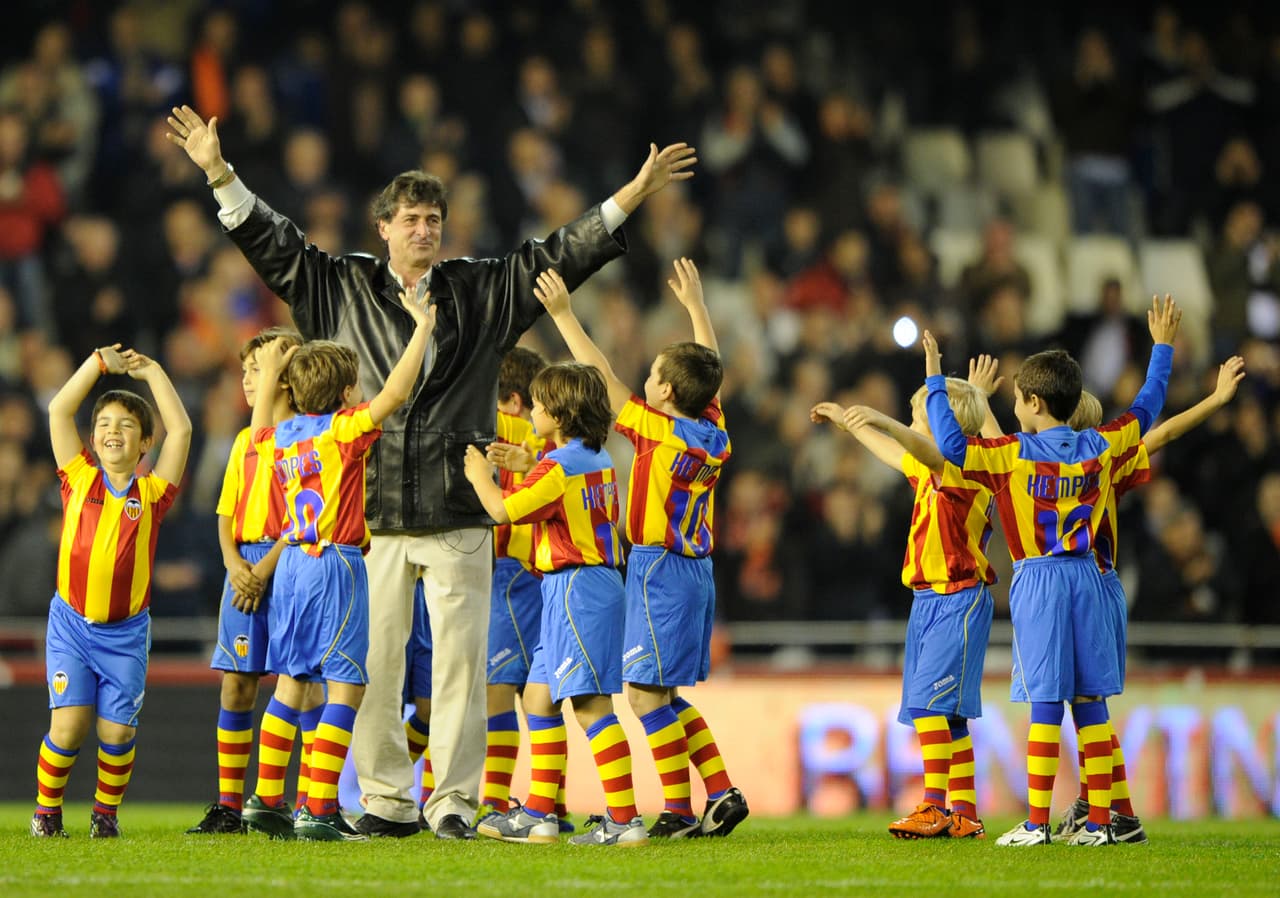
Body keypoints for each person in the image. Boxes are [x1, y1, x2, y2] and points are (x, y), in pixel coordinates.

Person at [166, 104, 696, 839]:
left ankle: (450, 803)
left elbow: (560, 255)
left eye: (433, 219)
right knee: (372, 666)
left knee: (460, 671)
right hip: (373, 512)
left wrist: (631, 194)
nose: (424, 229)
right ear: (383, 227)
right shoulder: (341, 285)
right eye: (410, 219)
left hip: (456, 508)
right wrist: (218, 172)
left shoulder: (480, 289)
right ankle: (386, 801)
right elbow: (274, 245)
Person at [922, 295, 1181, 847]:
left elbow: (950, 446)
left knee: (1044, 700)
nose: (1014, 405)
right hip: (1089, 576)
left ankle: (1037, 823)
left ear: (1034, 402)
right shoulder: (1100, 443)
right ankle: (1103, 825)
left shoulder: (1012, 453)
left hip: (1039, 579)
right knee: (1091, 703)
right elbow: (1148, 407)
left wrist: (936, 381)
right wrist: (1162, 348)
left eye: (1017, 398)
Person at [531, 261, 748, 838]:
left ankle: (677, 810)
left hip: (658, 570)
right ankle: (721, 791)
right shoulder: (714, 434)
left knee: (645, 697)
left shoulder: (658, 431)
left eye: (654, 375)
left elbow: (600, 376)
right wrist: (697, 308)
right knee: (665, 694)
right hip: (697, 571)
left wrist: (564, 316)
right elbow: (711, 376)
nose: (646, 379)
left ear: (667, 391)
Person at [240, 291, 437, 842]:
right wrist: (422, 328)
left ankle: (266, 799)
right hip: (336, 564)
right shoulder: (343, 430)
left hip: (292, 566)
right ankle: (320, 807)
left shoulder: (279, 437)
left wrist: (272, 372)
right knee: (346, 687)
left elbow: (256, 432)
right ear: (347, 392)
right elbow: (397, 392)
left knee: (290, 682)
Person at [810, 356, 1003, 841]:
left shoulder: (960, 467)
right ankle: (964, 813)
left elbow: (918, 448)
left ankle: (933, 807)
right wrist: (850, 422)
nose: (913, 427)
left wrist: (882, 417)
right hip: (932, 599)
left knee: (932, 707)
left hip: (956, 597)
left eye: (919, 418)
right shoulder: (937, 469)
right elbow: (896, 454)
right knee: (949, 715)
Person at [1055, 358, 1245, 845]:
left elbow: (1162, 433)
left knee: (1088, 704)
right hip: (1090, 587)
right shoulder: (1098, 464)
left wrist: (1214, 399)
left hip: (1091, 588)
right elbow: (1162, 434)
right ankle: (1113, 810)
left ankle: (1107, 812)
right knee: (1086, 707)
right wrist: (1214, 400)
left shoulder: (1088, 463)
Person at [464, 361, 646, 846]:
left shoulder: (559, 466)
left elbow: (502, 510)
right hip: (579, 588)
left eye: (541, 404)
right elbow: (563, 497)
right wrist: (527, 467)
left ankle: (624, 820)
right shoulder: (595, 456)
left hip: (577, 590)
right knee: (538, 699)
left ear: (560, 414)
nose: (533, 411)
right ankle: (539, 814)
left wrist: (481, 475)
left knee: (591, 707)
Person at [32, 344, 192, 838]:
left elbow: (182, 430)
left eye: (125, 424)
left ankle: (105, 815)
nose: (112, 431)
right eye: (104, 423)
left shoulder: (153, 493)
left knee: (117, 730)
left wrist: (155, 372)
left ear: (146, 443)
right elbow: (59, 409)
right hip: (71, 625)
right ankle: (46, 814)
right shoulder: (77, 477)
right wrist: (97, 365)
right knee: (69, 727)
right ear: (93, 438)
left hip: (125, 634)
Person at [186, 326, 309, 836]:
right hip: (242, 567)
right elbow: (225, 510)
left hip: (290, 563)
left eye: (257, 369)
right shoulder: (243, 441)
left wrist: (263, 568)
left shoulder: (307, 437)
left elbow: (304, 516)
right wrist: (233, 562)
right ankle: (228, 807)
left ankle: (304, 802)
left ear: (286, 376)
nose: (246, 379)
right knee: (237, 684)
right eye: (244, 370)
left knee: (301, 685)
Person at [474, 347, 578, 829]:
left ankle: (496, 803)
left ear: (512, 402)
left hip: (513, 572)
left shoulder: (508, 427)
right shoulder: (556, 449)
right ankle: (553, 801)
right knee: (542, 694)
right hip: (538, 576)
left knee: (500, 690)